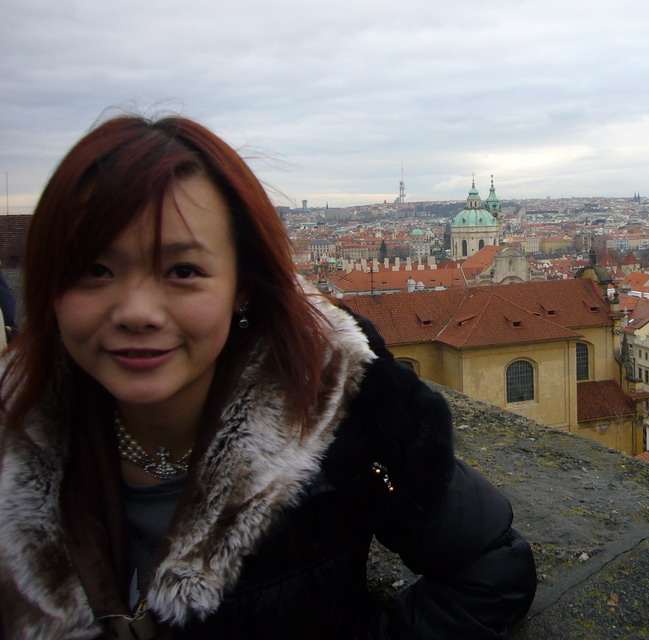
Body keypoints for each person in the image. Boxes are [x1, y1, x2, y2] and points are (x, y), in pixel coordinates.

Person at [0, 115, 536, 640]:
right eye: (95, 269)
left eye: (183, 270)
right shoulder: (12, 431)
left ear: (243, 285)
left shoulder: (341, 407)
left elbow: (491, 569)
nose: (136, 311)